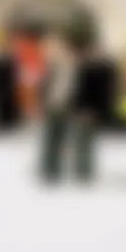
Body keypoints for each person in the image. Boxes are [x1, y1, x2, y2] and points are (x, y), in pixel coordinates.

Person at [39, 33, 97, 185]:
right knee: (51, 139)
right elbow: (46, 85)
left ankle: (64, 170)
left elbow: (79, 88)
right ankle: (49, 169)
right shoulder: (54, 66)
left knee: (62, 139)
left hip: (67, 106)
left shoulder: (77, 66)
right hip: (54, 104)